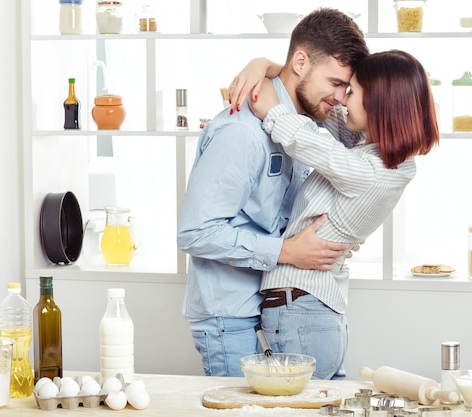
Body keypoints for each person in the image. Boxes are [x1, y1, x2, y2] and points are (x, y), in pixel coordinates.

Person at [176, 8, 369, 377]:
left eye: (347, 88)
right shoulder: (242, 133)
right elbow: (195, 231)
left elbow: (361, 151)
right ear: (300, 62)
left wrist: (264, 65)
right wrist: (288, 251)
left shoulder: (306, 119)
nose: (341, 98)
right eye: (335, 83)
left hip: (270, 305)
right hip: (230, 315)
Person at [229, 49, 440, 379]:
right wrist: (262, 65)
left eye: (353, 92)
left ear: (379, 105)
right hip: (312, 314)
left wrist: (272, 109)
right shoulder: (382, 158)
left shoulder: (367, 170)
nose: (342, 99)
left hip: (299, 312)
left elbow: (305, 139)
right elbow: (321, 106)